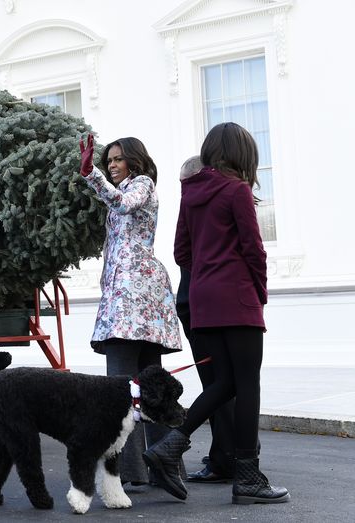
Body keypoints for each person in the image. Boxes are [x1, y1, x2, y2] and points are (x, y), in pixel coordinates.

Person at [143, 122, 289, 504]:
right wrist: (257, 291)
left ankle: (169, 447)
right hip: (237, 298)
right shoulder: (237, 190)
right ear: (243, 155)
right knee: (247, 385)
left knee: (223, 383)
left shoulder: (191, 193)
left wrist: (208, 272)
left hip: (204, 299)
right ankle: (248, 477)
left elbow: (181, 252)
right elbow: (254, 250)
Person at [79, 135, 183, 486]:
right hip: (131, 298)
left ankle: (133, 471)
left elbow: (123, 204)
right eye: (108, 160)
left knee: (124, 386)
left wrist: (92, 175)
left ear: (135, 161)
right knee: (146, 383)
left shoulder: (142, 185)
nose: (112, 164)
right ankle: (155, 467)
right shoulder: (129, 189)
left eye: (118, 159)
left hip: (134, 298)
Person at [176, 156, 236, 483]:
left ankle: (225, 458)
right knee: (228, 385)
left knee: (218, 385)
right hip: (220, 308)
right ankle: (227, 454)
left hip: (201, 309)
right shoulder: (223, 203)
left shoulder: (197, 210)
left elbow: (184, 257)